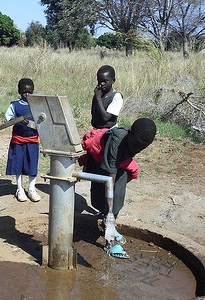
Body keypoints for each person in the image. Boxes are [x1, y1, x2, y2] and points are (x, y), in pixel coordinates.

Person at [81, 118, 156, 259]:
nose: (138, 149)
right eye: (137, 145)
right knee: (109, 199)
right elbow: (110, 177)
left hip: (117, 164)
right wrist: (110, 210)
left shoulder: (135, 140)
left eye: (143, 147)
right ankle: (109, 242)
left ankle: (110, 226)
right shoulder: (117, 140)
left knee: (117, 197)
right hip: (102, 159)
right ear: (130, 134)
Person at [5, 78, 41, 202]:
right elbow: (8, 119)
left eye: (30, 92)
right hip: (18, 141)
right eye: (24, 92)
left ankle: (31, 188)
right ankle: (19, 189)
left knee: (32, 164)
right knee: (18, 164)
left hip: (32, 141)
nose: (27, 95)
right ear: (19, 91)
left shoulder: (38, 105)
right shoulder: (15, 105)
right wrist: (18, 119)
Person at [91, 65, 123, 129]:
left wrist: (98, 98)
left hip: (109, 131)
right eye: (99, 81)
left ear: (113, 80)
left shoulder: (116, 97)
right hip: (97, 130)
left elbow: (105, 118)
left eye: (105, 81)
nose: (102, 83)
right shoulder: (98, 94)